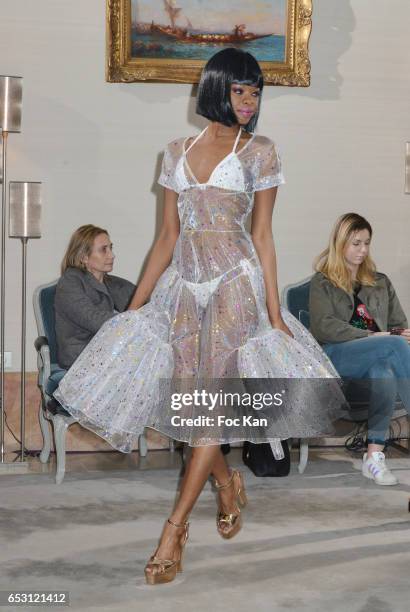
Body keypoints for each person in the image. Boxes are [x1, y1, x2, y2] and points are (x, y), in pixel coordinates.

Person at [54, 48, 345, 585]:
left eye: (255, 92)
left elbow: (262, 236)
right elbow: (167, 237)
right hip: (182, 289)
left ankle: (174, 530)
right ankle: (228, 482)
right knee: (189, 408)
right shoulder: (173, 153)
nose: (249, 100)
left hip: (236, 285)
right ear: (215, 88)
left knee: (208, 407)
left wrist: (274, 312)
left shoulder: (260, 152)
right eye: (239, 90)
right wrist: (135, 307)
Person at [310, 213, 410, 485]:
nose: (362, 250)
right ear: (340, 243)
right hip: (338, 357)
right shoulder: (323, 282)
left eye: (366, 243)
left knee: (384, 371)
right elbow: (323, 327)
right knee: (391, 344)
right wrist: (375, 335)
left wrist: (399, 333)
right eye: (356, 243)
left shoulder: (380, 283)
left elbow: (399, 325)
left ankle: (374, 456)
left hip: (376, 360)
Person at [55, 224, 135, 369]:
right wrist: (135, 321)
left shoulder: (114, 283)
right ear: (84, 257)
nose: (112, 255)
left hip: (110, 353)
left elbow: (144, 304)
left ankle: (177, 391)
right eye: (104, 250)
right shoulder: (69, 283)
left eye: (111, 248)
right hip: (81, 359)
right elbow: (94, 320)